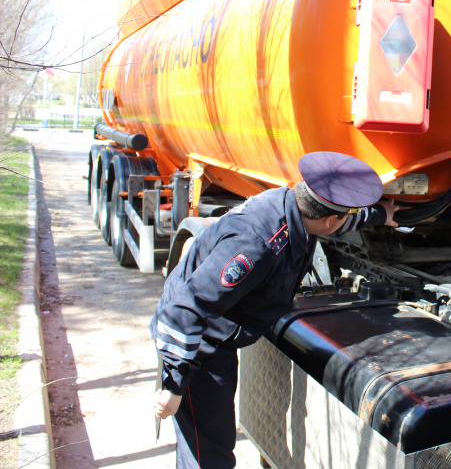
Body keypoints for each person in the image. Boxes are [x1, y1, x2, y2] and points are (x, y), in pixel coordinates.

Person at [150, 151, 398, 468]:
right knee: (207, 452)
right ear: (329, 221)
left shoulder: (295, 203)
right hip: (200, 342)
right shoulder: (256, 246)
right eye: (340, 219)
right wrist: (174, 383)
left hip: (218, 330)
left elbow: (341, 217)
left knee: (214, 441)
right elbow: (185, 308)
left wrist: (381, 214)